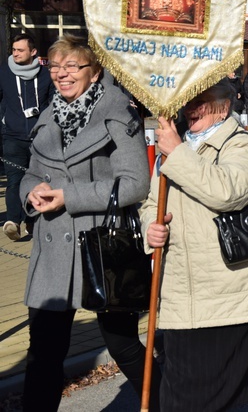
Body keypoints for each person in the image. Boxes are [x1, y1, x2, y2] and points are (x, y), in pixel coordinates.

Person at [19, 35, 160, 411]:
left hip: (100, 244)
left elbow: (135, 184)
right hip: (52, 248)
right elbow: (31, 173)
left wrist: (68, 196)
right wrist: (30, 194)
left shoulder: (116, 110)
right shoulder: (49, 112)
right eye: (55, 67)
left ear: (94, 73)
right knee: (44, 353)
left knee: (122, 344)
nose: (62, 75)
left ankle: (166, 401)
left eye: (71, 67)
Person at [144, 80, 248, 411]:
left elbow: (226, 192)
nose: (190, 108)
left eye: (200, 101)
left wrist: (177, 151)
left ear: (223, 107)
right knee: (180, 395)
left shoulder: (242, 144)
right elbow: (152, 202)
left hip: (234, 294)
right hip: (182, 294)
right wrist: (150, 228)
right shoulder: (176, 147)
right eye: (187, 101)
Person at [1, 34, 54, 240]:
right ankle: (13, 222)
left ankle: (32, 221)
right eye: (13, 49)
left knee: (36, 181)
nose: (15, 53)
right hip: (12, 137)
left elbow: (52, 103)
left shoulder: (45, 75)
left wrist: (44, 121)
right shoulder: (4, 73)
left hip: (39, 138)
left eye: (20, 50)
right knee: (14, 181)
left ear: (33, 52)